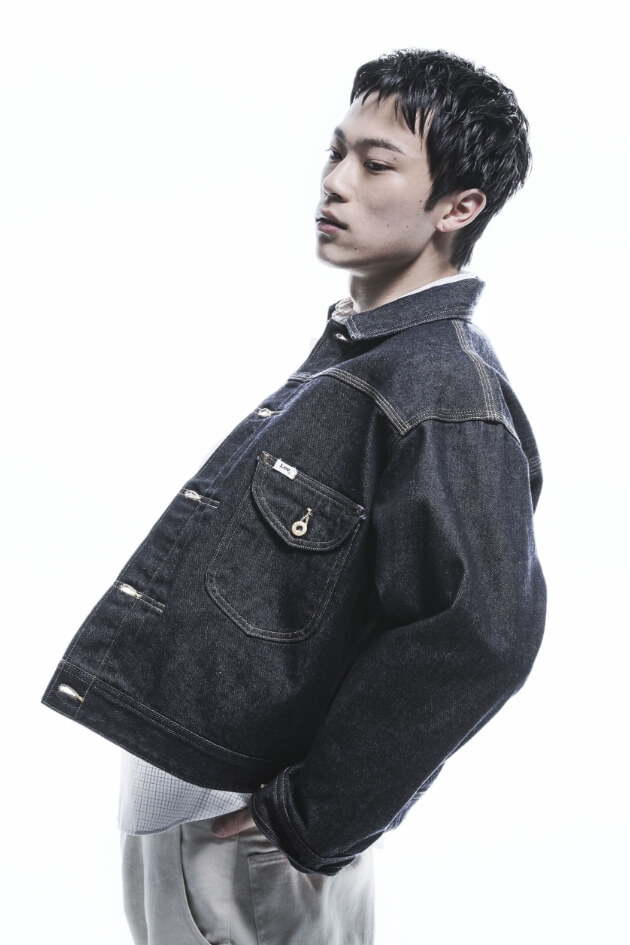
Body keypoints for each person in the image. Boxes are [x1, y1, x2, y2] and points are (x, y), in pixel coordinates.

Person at [41, 47, 547, 945]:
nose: (335, 182)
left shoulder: (441, 390)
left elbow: (483, 635)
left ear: (458, 207)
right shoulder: (363, 356)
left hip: (248, 849)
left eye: (377, 164)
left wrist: (307, 819)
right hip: (197, 826)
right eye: (336, 152)